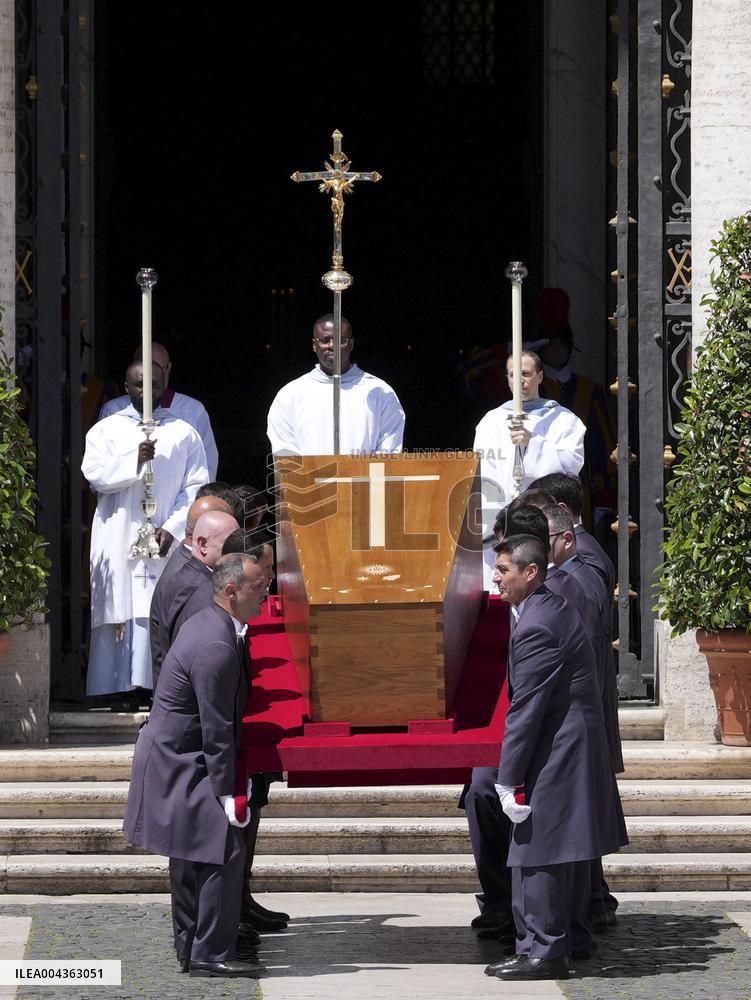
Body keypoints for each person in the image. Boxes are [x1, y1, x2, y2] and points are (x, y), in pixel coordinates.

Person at [484, 535, 627, 983]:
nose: (495, 577)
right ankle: (573, 938)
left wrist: (505, 780)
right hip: (574, 740)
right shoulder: (549, 606)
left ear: (530, 572)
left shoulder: (537, 624)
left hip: (560, 745)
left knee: (538, 845)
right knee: (570, 844)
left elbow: (525, 709)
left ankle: (543, 950)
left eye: (503, 570)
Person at [123, 553, 267, 978]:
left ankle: (191, 946)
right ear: (230, 591)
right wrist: (226, 793)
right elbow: (216, 725)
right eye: (259, 586)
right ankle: (208, 953)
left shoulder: (213, 624)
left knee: (190, 853)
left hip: (178, 753)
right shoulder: (217, 643)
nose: (266, 593)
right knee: (225, 849)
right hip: (181, 758)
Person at [82, 361, 208, 708]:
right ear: (126, 387)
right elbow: (94, 475)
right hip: (118, 532)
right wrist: (133, 459)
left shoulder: (183, 432)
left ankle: (157, 686)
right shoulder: (107, 430)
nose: (146, 391)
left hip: (163, 535)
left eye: (154, 384)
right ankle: (119, 688)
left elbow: (195, 486)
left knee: (156, 607)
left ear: (164, 382)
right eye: (139, 385)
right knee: (120, 607)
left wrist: (174, 526)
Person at [220, 528, 289, 934]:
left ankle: (240, 900)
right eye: (264, 573)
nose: (270, 583)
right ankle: (230, 912)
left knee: (248, 824)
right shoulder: (215, 619)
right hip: (229, 741)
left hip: (244, 731)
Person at [473, 350, 585, 588]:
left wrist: (533, 444)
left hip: (545, 524)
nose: (519, 380)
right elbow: (481, 477)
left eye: (526, 373)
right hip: (502, 525)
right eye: (513, 374)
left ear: (540, 377)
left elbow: (569, 471)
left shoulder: (564, 420)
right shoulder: (489, 422)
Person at [536, 288, 617, 534]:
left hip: (583, 491)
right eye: (550, 344)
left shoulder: (591, 390)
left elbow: (603, 446)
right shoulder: (531, 391)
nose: (557, 349)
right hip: (539, 488)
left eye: (562, 343)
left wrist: (604, 498)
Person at [266, 314, 405, 455]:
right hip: (310, 477)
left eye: (340, 340)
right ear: (315, 345)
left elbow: (389, 452)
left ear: (351, 344)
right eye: (325, 340)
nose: (332, 346)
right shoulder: (290, 395)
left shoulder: (379, 392)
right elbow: (285, 453)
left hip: (362, 477)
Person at [149, 509, 240, 692]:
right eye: (231, 543)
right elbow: (202, 664)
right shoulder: (202, 591)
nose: (239, 551)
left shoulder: (194, 575)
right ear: (203, 544)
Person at [100, 342, 219, 478]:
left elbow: (205, 469)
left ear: (168, 369)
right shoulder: (113, 411)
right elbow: (100, 470)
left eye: (158, 370)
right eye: (147, 370)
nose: (152, 377)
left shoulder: (193, 410)